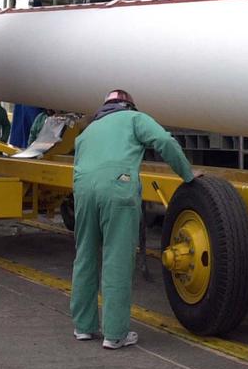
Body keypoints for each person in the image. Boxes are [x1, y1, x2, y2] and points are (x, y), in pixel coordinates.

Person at [71, 89, 198, 348]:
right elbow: (164, 141)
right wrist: (188, 175)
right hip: (118, 187)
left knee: (85, 255)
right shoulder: (134, 118)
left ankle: (83, 327)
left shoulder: (87, 132)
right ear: (128, 105)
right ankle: (115, 334)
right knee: (116, 258)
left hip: (83, 191)